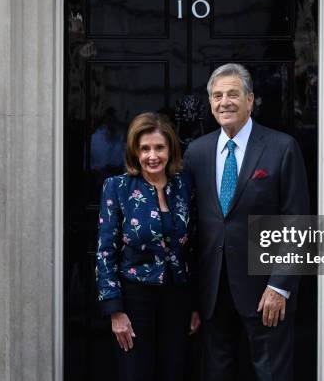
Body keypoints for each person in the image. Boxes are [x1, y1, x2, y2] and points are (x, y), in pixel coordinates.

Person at [184, 63, 309, 381]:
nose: (224, 101)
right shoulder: (196, 153)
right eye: (217, 95)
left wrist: (279, 285)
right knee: (216, 372)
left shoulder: (281, 148)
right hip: (212, 290)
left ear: (250, 100)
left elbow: (297, 222)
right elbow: (191, 221)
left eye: (233, 94)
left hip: (265, 287)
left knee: (271, 374)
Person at [96, 112, 201, 381]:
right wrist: (115, 311)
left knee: (174, 372)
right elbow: (105, 251)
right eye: (145, 148)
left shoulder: (184, 185)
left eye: (159, 147)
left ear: (170, 150)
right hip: (134, 299)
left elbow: (195, 247)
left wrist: (195, 305)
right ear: (135, 151)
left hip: (177, 298)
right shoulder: (117, 187)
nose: (152, 156)